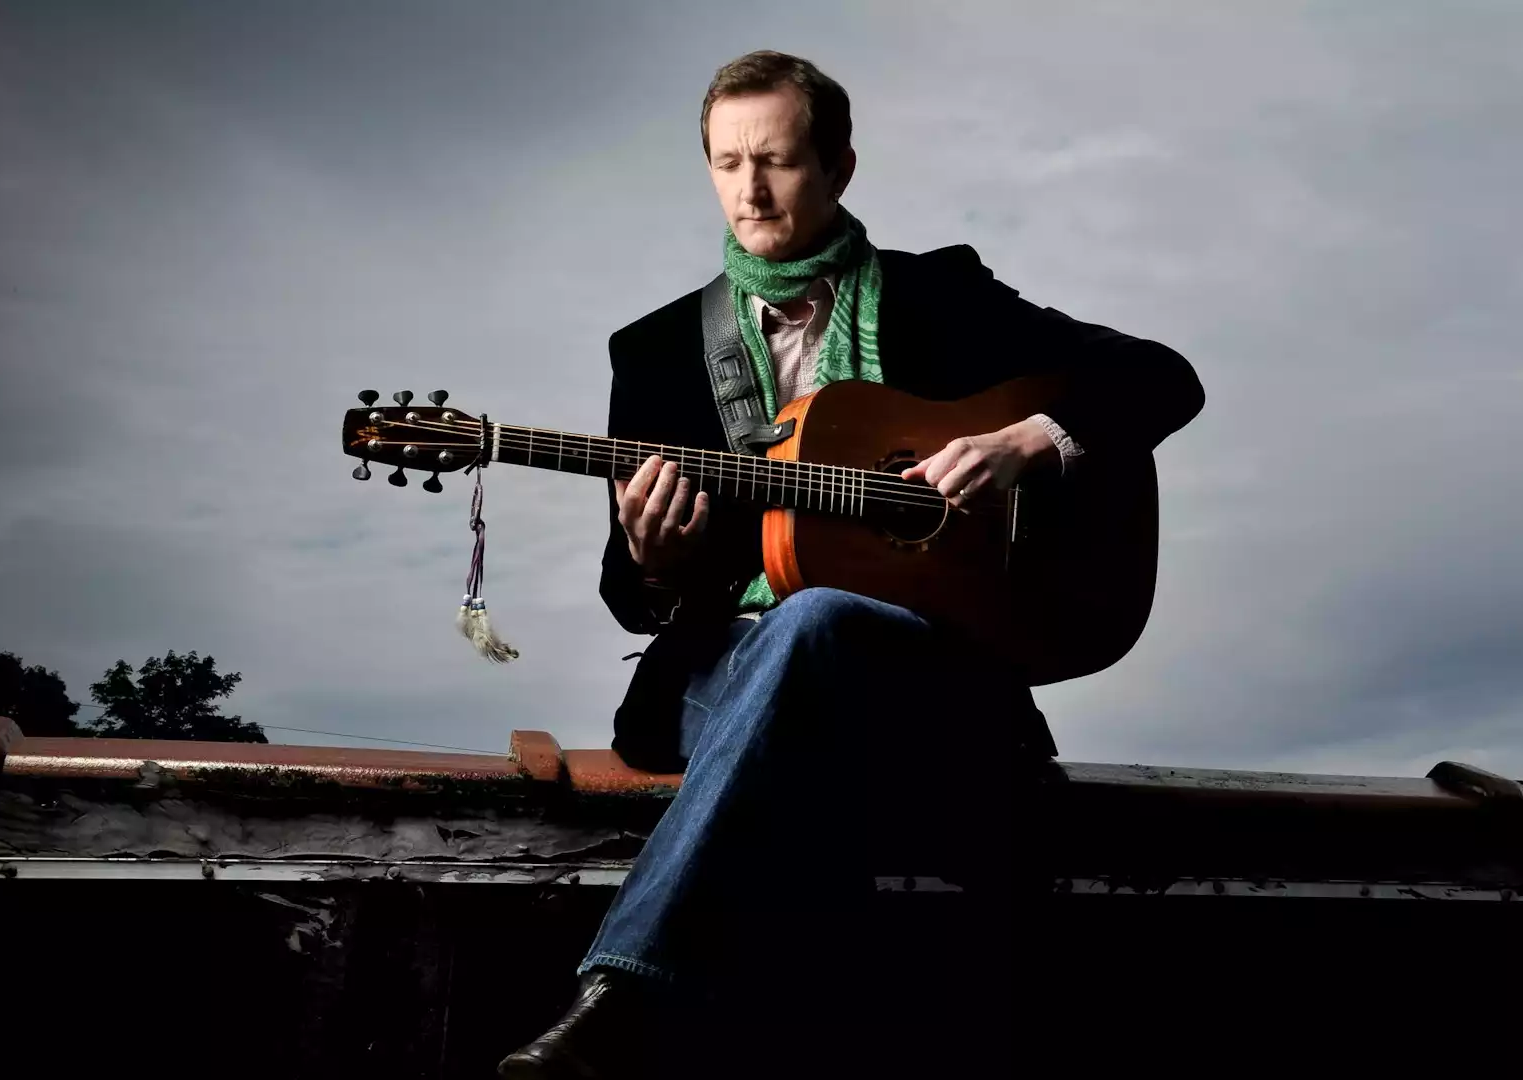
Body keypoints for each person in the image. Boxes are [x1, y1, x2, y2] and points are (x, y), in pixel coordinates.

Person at [498, 50, 1203, 1077]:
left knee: (819, 617)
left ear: (839, 166)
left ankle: (626, 998)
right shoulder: (654, 349)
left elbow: (1162, 377)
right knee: (804, 637)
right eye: (727, 163)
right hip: (728, 672)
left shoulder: (942, 297)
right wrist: (653, 560)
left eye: (777, 160)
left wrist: (1025, 443)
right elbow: (629, 595)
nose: (750, 190)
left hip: (925, 668)